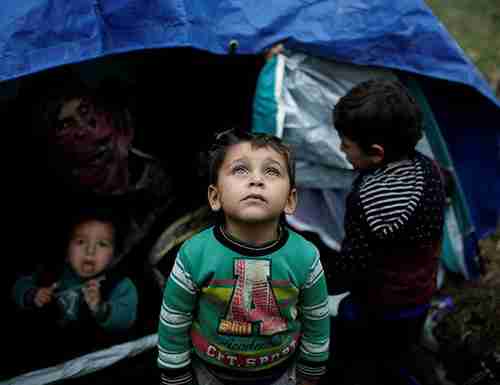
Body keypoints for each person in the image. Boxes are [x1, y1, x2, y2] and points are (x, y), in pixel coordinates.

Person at [157, 130, 330, 385]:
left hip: (281, 373)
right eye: (240, 170)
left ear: (290, 201)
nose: (256, 180)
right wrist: (175, 374)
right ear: (215, 197)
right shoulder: (194, 253)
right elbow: (174, 317)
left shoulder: (305, 256)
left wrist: (311, 369)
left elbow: (316, 317)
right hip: (208, 373)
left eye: (271, 171)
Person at [329, 79, 446, 384]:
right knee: (400, 348)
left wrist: (321, 285)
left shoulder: (367, 200)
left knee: (360, 351)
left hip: (379, 305)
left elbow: (354, 263)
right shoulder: (430, 170)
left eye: (345, 144)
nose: (342, 149)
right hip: (420, 294)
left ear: (376, 153)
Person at [11, 205, 138, 368]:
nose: (90, 251)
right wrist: (31, 294)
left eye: (102, 244)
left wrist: (101, 309)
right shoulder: (51, 272)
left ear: (114, 254)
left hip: (91, 362)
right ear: (66, 248)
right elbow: (18, 285)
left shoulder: (120, 285)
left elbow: (126, 318)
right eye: (80, 241)